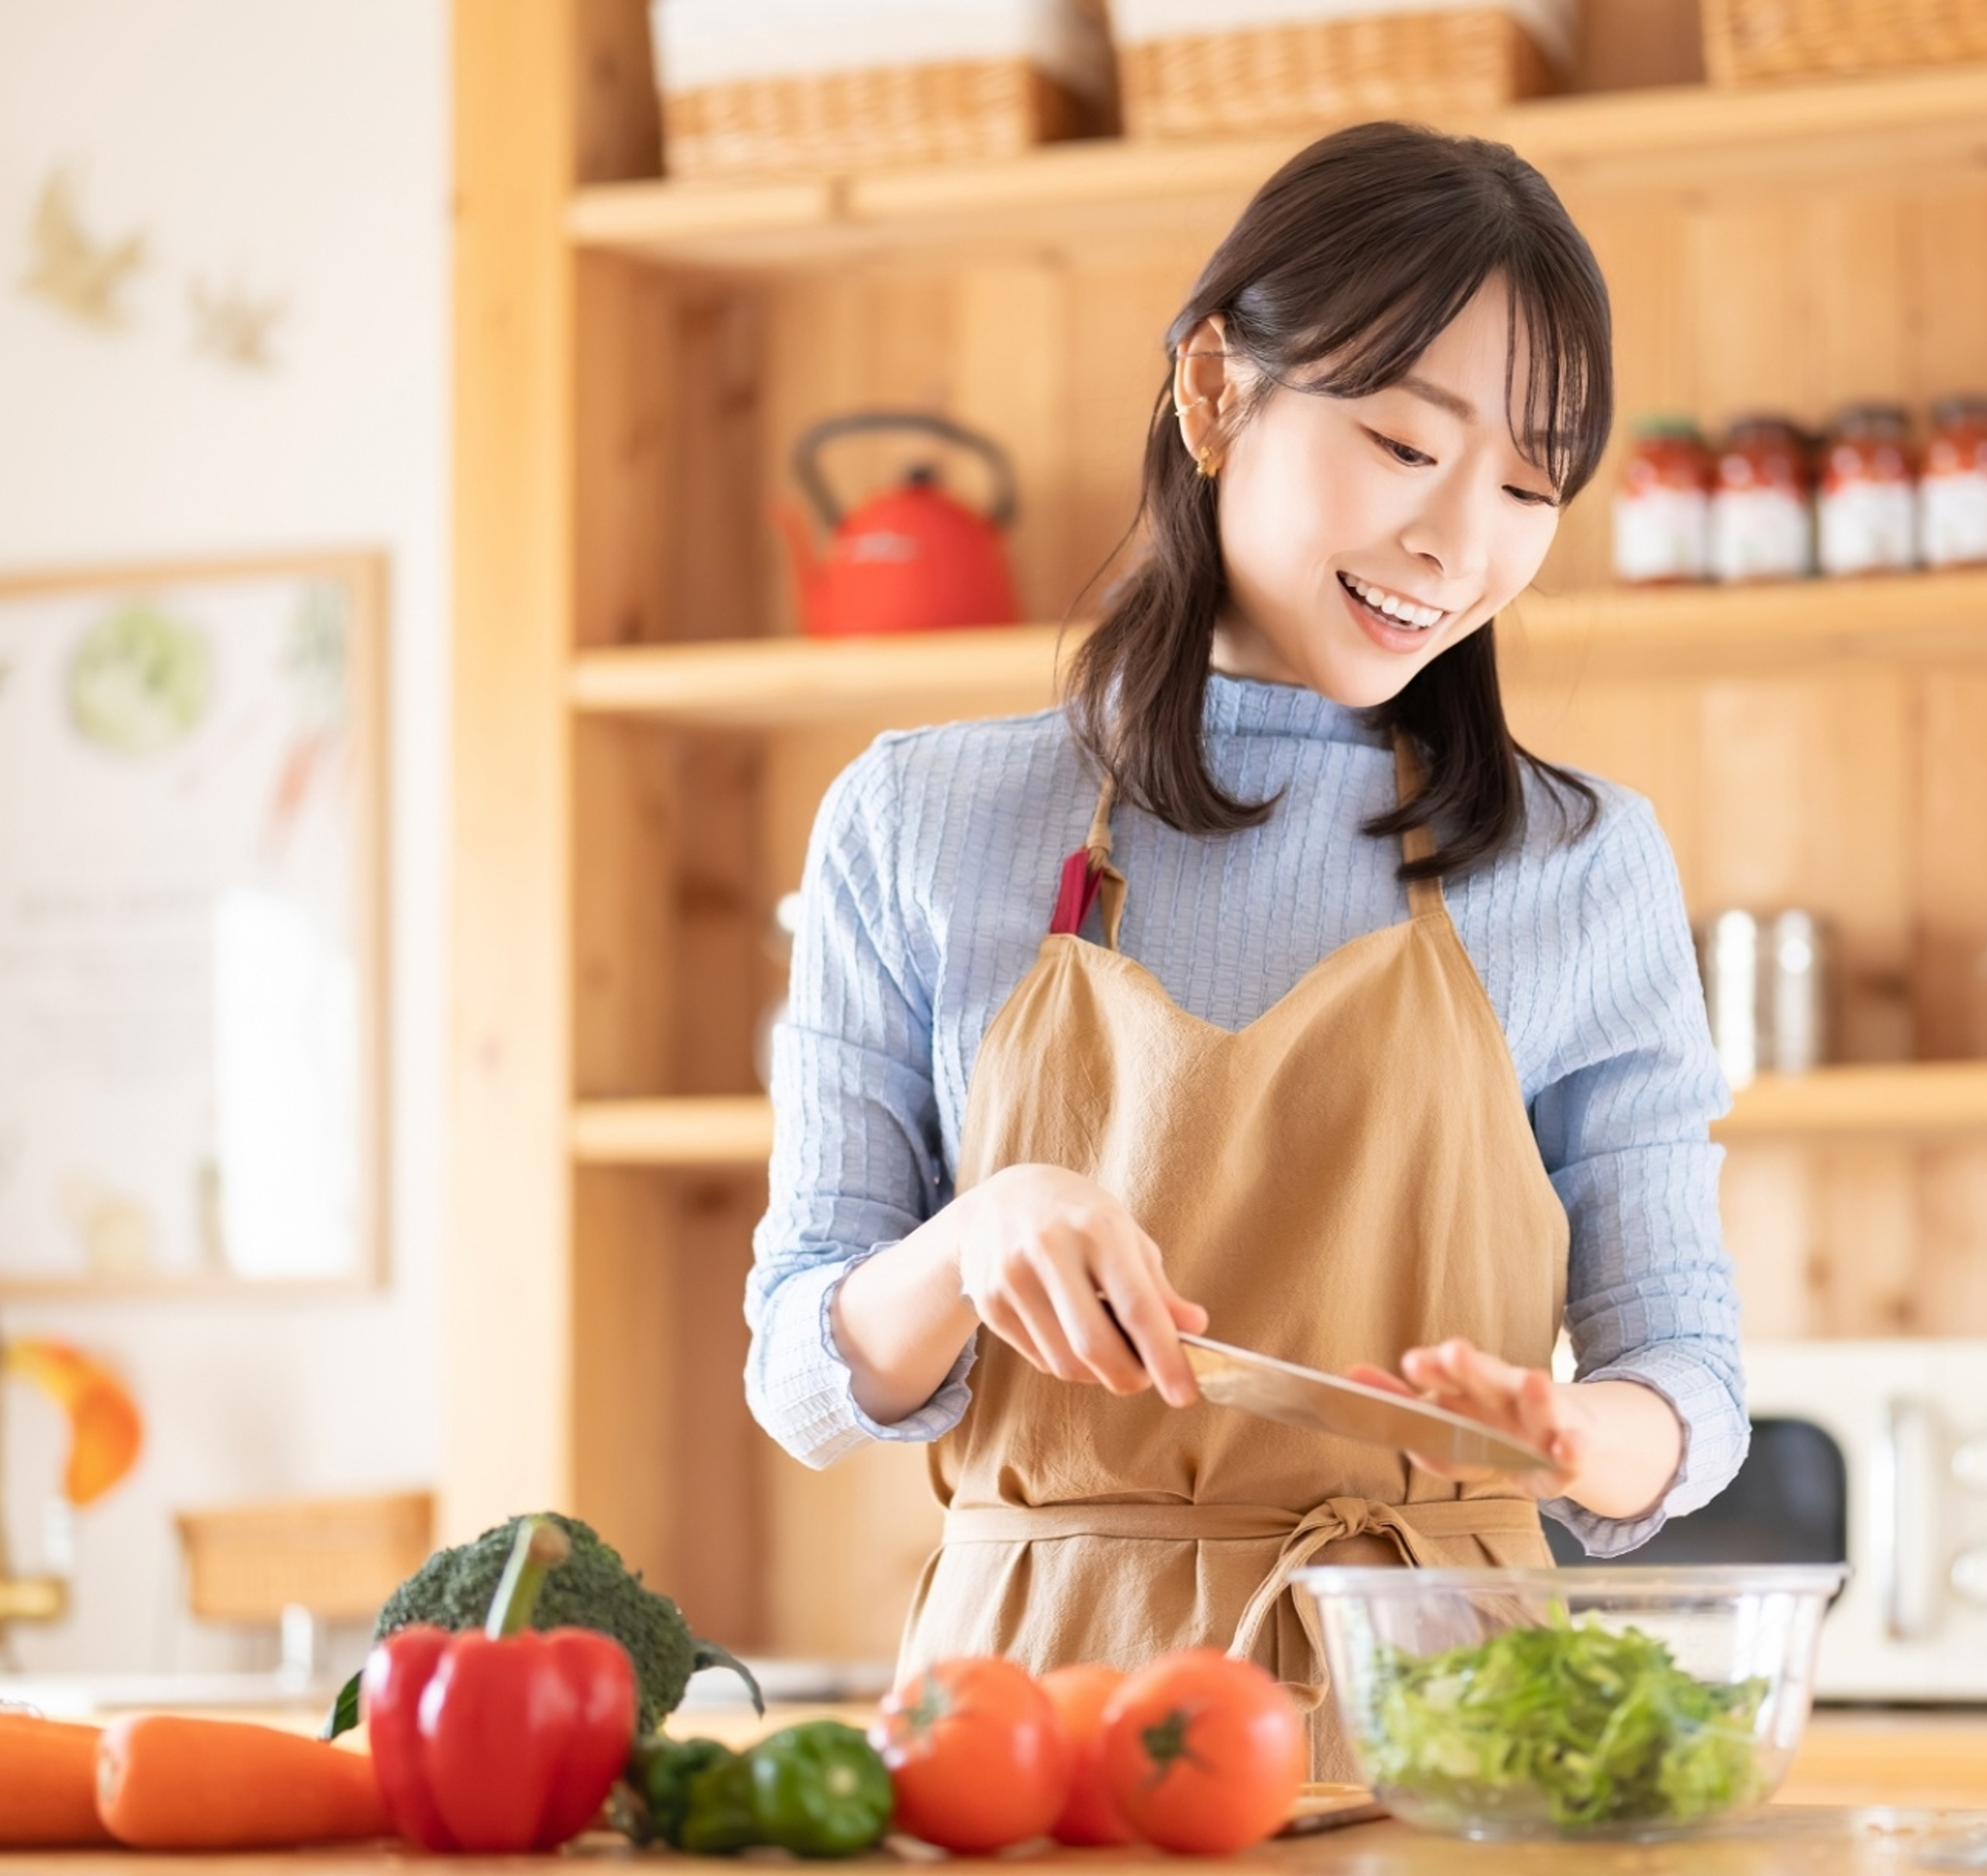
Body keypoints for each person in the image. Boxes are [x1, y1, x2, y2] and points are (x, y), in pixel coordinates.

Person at [747, 120, 1744, 1766]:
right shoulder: (919, 819)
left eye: (1524, 483)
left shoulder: (1583, 863)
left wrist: (1572, 1432)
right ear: (1215, 389)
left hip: (1449, 1718)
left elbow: (1688, 1385)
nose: (1458, 543)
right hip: (1032, 1730)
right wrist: (973, 1236)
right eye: (1405, 445)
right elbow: (802, 1373)